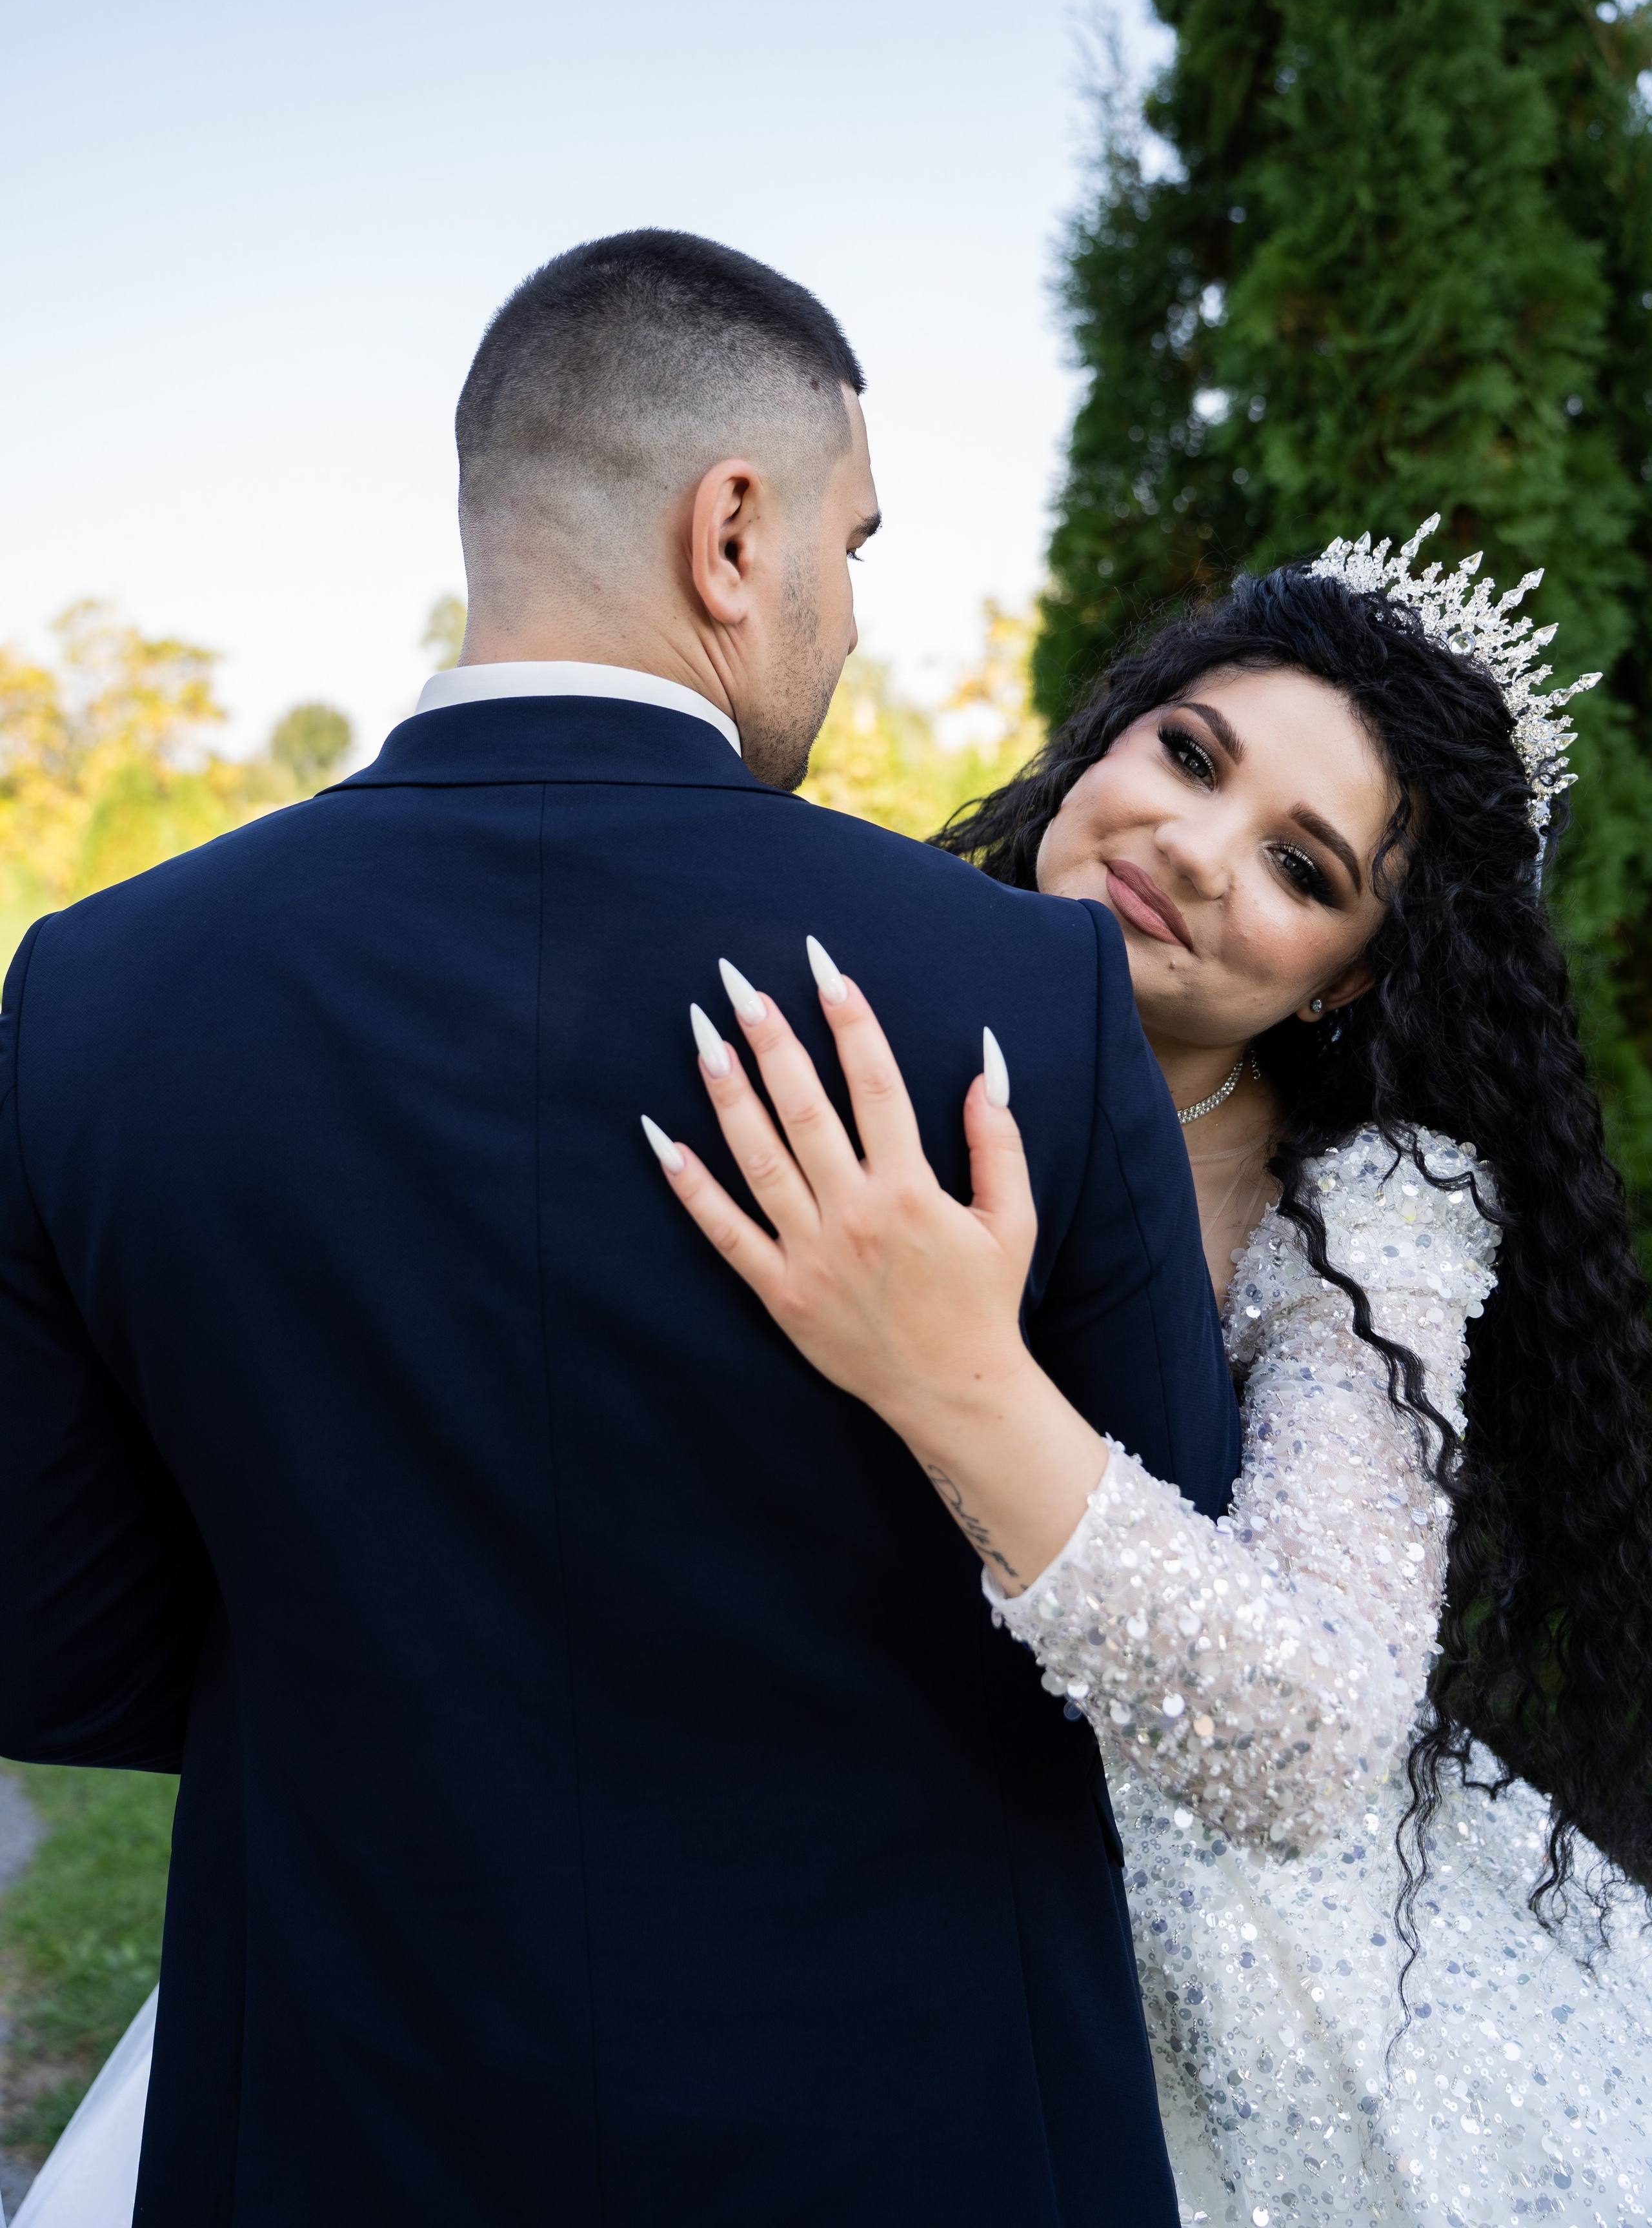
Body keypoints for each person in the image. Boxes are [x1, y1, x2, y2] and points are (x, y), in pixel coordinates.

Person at [0, 231, 1237, 2227]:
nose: (851, 618)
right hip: (929, 2134)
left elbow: (50, 1642)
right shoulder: (1024, 1000)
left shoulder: (98, 990)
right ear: (732, 533)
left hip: (339, 2122)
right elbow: (1165, 1631)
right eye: (858, 543)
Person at [654, 530, 1652, 2224]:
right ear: (1109, 729)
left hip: (1188, 1949)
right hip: (770, 1839)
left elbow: (1323, 1734)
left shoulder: (1368, 1209)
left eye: (1304, 867)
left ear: (1348, 975)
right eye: (1189, 753)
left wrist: (957, 1376)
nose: (1191, 849)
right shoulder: (823, 998)